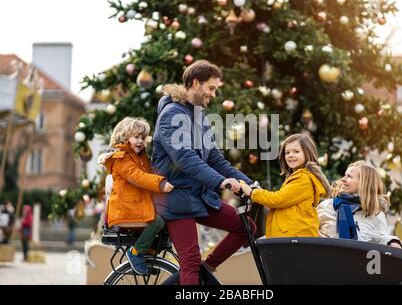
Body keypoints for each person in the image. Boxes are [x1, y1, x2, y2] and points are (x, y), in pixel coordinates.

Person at [151, 60, 257, 285]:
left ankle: (207, 268)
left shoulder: (198, 117)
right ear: (196, 83)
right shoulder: (172, 114)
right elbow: (185, 159)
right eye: (211, 88)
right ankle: (198, 272)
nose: (214, 94)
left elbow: (216, 159)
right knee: (189, 262)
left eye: (216, 89)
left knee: (246, 226)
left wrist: (251, 185)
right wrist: (222, 183)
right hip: (176, 199)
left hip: (197, 196)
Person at [98, 117, 174, 275]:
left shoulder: (140, 157)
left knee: (166, 217)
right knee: (157, 221)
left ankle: (148, 253)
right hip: (125, 210)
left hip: (134, 206)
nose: (140, 141)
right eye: (136, 137)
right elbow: (138, 177)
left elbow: (149, 172)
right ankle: (136, 253)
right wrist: (160, 184)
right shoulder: (122, 158)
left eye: (143, 137)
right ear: (124, 137)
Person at [239, 133, 331, 238]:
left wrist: (251, 192)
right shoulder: (297, 176)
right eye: (287, 152)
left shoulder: (303, 179)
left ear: (307, 153)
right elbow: (284, 199)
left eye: (296, 151)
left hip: (294, 236)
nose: (290, 155)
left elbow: (277, 199)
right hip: (292, 234)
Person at [317, 161, 402, 247]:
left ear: (364, 184)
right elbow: (309, 231)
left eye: (349, 176)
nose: (343, 179)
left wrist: (392, 242)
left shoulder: (376, 215)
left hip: (357, 260)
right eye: (345, 175)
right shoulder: (326, 206)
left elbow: (381, 238)